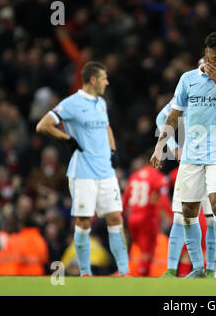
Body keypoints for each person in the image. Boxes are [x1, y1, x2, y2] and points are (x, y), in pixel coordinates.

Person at [151, 31, 216, 278]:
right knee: (188, 212)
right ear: (206, 53)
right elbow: (173, 116)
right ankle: (197, 269)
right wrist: (160, 146)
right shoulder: (187, 79)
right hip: (191, 156)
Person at [36, 61, 129, 276]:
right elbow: (43, 125)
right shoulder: (71, 103)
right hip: (83, 173)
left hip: (105, 171)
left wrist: (113, 151)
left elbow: (106, 127)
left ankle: (125, 271)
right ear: (93, 79)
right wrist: (66, 138)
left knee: (115, 217)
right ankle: (85, 273)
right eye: (104, 78)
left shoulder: (101, 103)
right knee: (84, 221)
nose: (107, 82)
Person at [121, 153, 170, 276]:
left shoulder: (134, 176)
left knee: (141, 250)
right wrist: (172, 215)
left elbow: (125, 199)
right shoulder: (158, 177)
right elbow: (163, 199)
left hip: (132, 218)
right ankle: (143, 277)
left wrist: (121, 219)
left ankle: (139, 274)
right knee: (148, 252)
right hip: (147, 218)